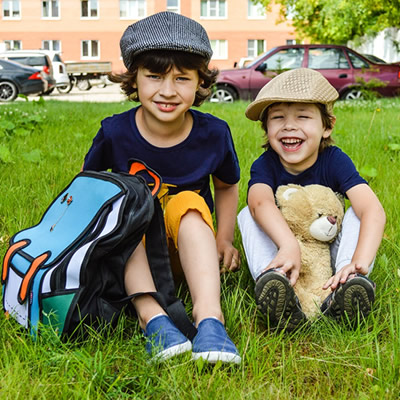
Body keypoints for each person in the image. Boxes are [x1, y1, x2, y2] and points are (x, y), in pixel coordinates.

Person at [82, 12, 241, 363]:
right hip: (130, 256)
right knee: (131, 205)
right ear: (134, 79)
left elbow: (226, 186)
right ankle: (151, 317)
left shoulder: (214, 134)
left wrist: (224, 238)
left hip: (190, 251)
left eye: (182, 78)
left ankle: (210, 319)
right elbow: (86, 192)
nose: (167, 91)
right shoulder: (114, 132)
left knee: (186, 201)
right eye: (154, 76)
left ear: (200, 81)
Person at [237, 68, 386, 330]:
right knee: (248, 213)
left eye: (303, 117)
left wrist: (358, 261)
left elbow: (373, 210)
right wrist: (287, 245)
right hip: (284, 252)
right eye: (278, 117)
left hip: (328, 254)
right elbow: (259, 202)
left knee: (356, 213)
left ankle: (347, 283)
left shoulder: (335, 160)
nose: (289, 126)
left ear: (327, 127)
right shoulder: (266, 164)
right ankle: (273, 281)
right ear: (266, 128)